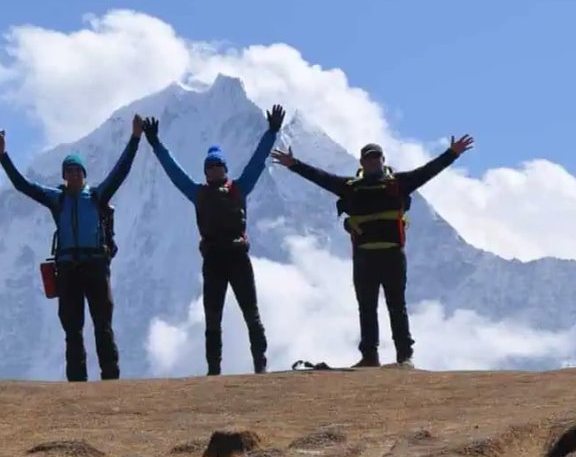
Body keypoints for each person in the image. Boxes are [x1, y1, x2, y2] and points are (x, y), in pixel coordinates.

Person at [271, 135, 474, 368]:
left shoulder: (399, 183)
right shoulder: (350, 187)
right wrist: (294, 164)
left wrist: (452, 153)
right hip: (364, 257)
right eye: (369, 159)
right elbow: (321, 178)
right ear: (361, 162)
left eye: (376, 158)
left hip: (392, 255)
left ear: (383, 160)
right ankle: (370, 356)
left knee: (396, 306)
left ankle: (404, 356)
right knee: (367, 308)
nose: (373, 162)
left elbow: (427, 172)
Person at [0, 115, 144, 382]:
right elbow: (22, 185)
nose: (73, 175)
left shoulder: (97, 196)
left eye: (77, 171)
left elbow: (121, 171)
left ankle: (111, 381)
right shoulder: (57, 199)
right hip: (68, 270)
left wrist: (135, 138)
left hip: (95, 266)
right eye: (69, 171)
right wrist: (2, 155)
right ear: (63, 176)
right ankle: (77, 384)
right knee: (72, 330)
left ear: (84, 175)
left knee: (103, 326)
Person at [143, 103, 286, 375]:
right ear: (206, 171)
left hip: (237, 256)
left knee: (251, 312)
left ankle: (260, 362)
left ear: (225, 168)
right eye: (210, 166)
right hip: (214, 259)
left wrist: (271, 133)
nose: (215, 169)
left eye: (218, 165)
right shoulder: (198, 193)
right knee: (213, 317)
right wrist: (156, 144)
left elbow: (257, 161)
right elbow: (174, 172)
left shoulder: (239, 189)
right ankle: (214, 368)